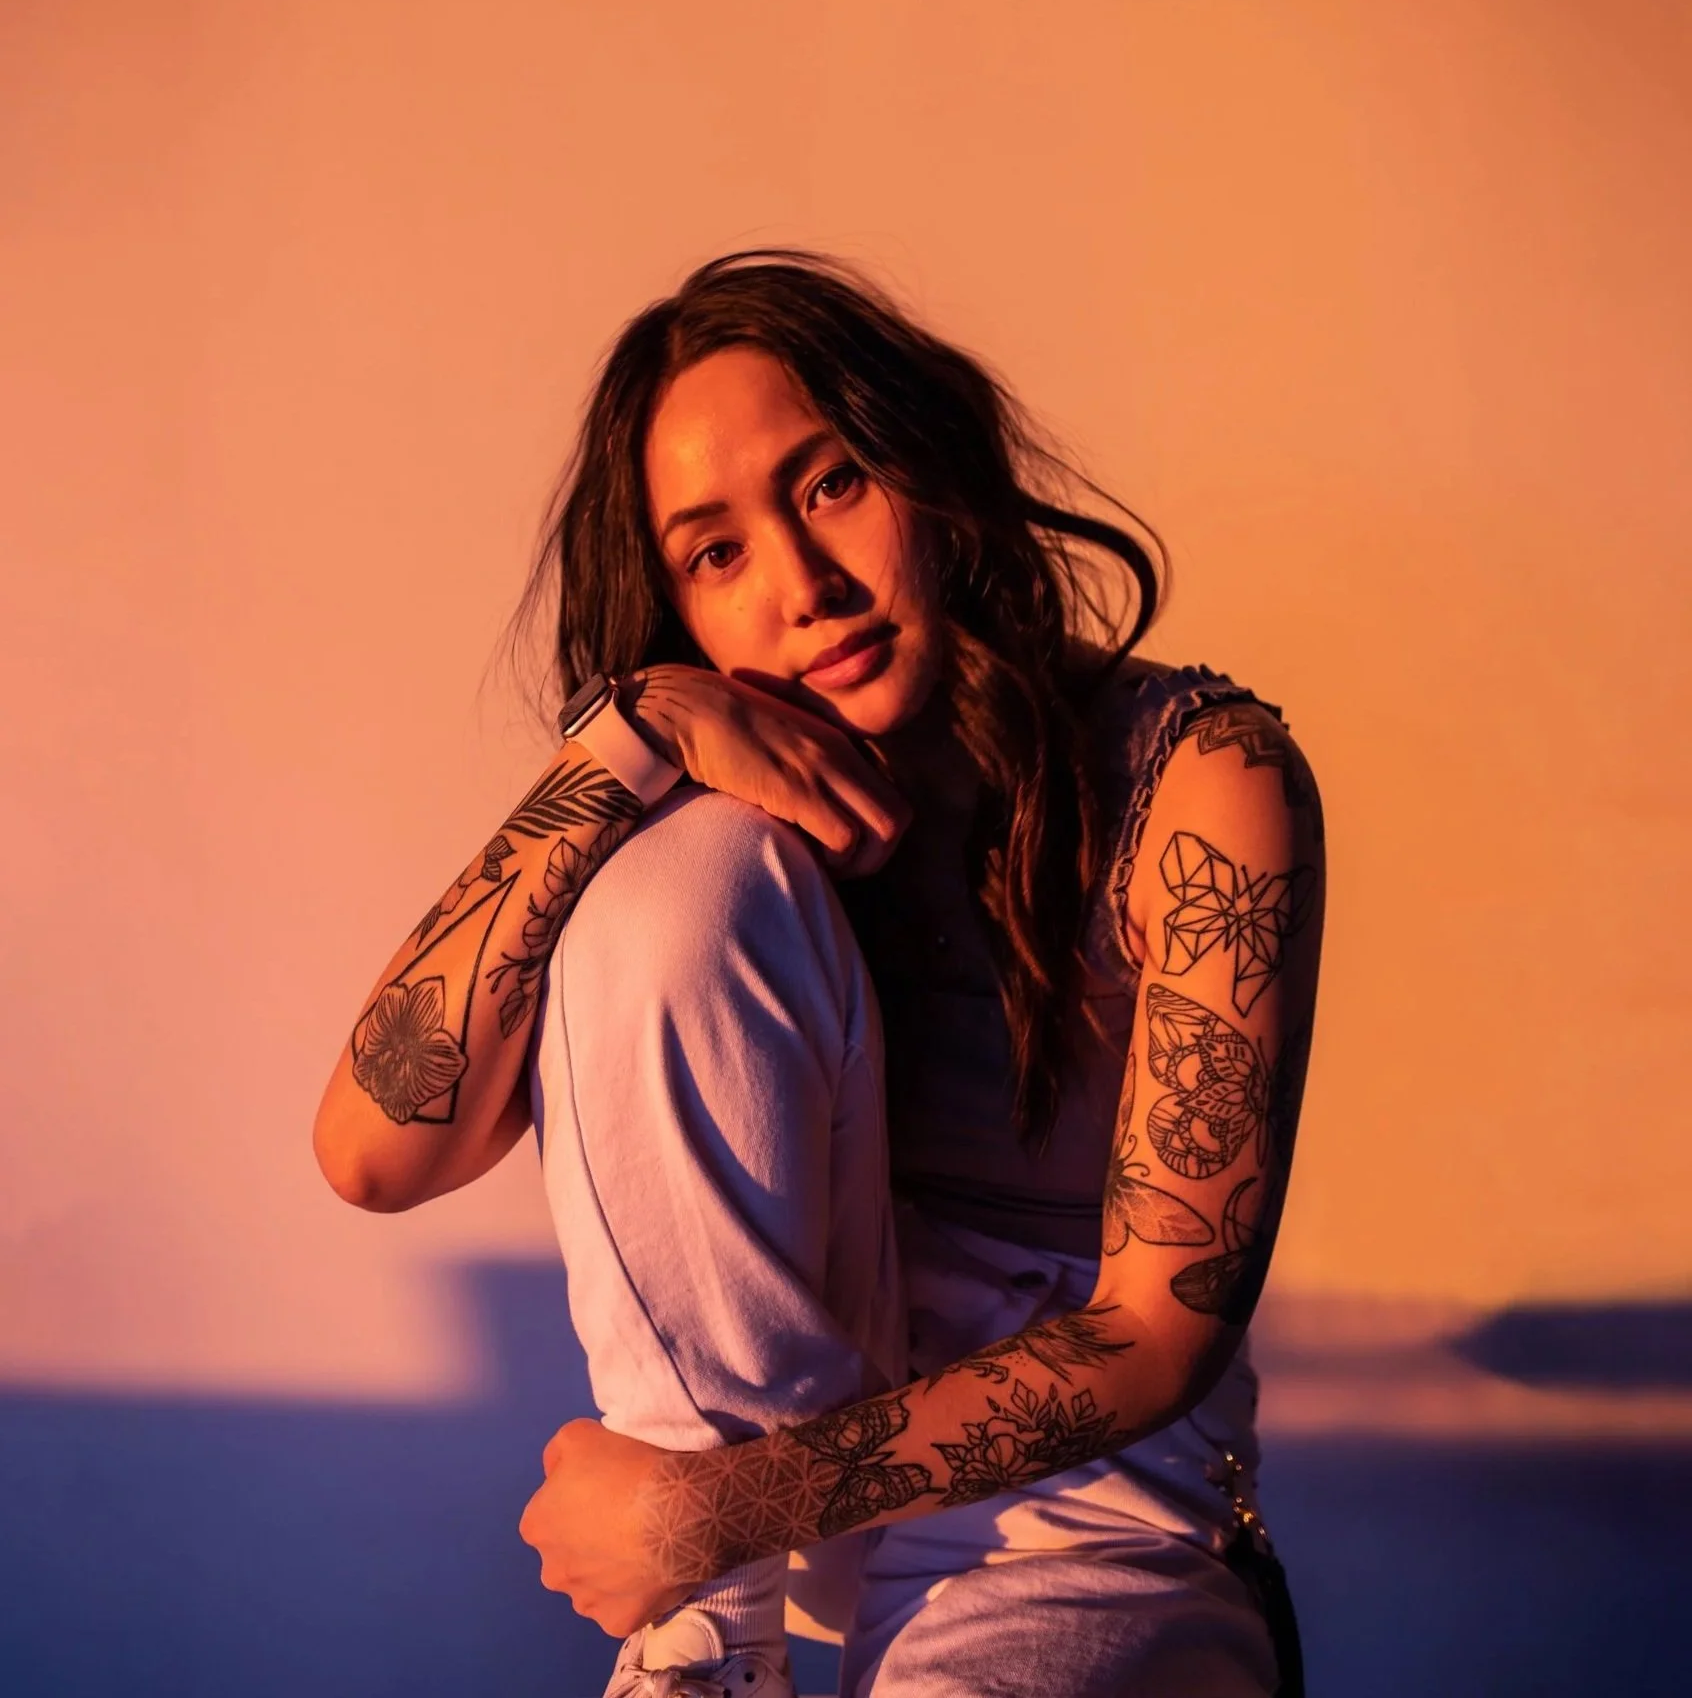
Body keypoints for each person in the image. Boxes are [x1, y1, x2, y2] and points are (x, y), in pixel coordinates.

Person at [313, 250, 1324, 1697]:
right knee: (670, 872)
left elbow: (1158, 1335)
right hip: (756, 1538)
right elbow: (371, 1152)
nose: (806, 586)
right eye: (714, 554)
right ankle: (705, 1650)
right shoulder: (700, 816)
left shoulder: (1202, 781)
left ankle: (711, 1579)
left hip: (1084, 1528)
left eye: (833, 482)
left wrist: (700, 1511)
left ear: (933, 464)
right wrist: (626, 737)